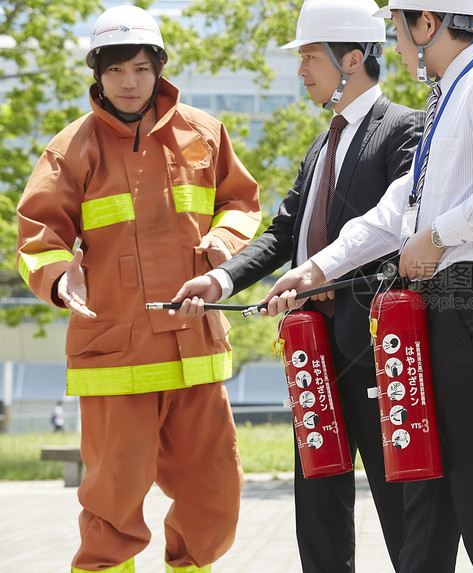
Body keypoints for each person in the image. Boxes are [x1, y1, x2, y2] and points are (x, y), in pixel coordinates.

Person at [179, 0, 473, 570]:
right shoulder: (446, 97)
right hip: (440, 306)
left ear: (428, 23)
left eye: (399, 32)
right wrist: (317, 268)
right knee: (426, 495)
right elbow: (391, 213)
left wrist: (440, 234)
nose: (396, 48)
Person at [172, 0, 424, 571]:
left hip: (374, 349)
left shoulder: (405, 129)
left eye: (311, 56)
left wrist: (324, 281)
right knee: (317, 501)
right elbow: (285, 232)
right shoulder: (321, 147)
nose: (302, 69)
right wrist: (219, 279)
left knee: (399, 502)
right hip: (312, 349)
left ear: (352, 59)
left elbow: (398, 232)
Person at [15, 5, 260, 572]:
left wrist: (225, 240)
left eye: (142, 69)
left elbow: (241, 202)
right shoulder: (69, 150)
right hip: (115, 357)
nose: (130, 82)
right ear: (97, 73)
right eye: (117, 69)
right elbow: (38, 235)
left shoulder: (203, 135)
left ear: (159, 70)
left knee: (215, 497)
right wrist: (58, 275)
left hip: (195, 350)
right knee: (112, 511)